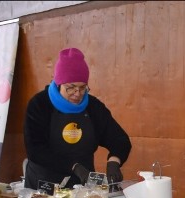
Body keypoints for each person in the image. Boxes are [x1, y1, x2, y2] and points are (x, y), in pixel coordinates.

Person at [24, 47, 131, 190]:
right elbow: (35, 150)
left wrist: (114, 161)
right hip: (43, 188)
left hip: (82, 187)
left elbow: (120, 140)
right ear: (59, 83)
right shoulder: (39, 105)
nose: (77, 93)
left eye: (82, 88)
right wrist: (73, 166)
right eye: (71, 87)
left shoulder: (93, 108)